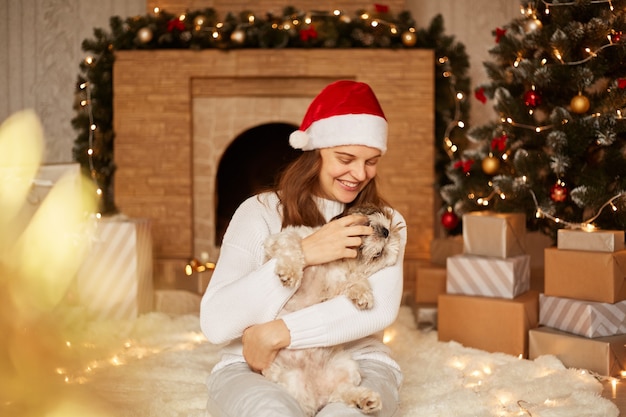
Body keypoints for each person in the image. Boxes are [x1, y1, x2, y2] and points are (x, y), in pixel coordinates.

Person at [200, 80, 407, 417]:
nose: (360, 173)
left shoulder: (385, 224)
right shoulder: (259, 212)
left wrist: (277, 333)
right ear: (315, 152)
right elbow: (216, 321)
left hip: (354, 363)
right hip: (255, 367)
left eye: (371, 161)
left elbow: (377, 309)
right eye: (346, 158)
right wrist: (308, 252)